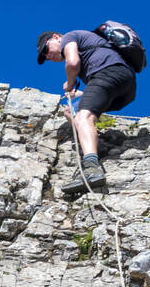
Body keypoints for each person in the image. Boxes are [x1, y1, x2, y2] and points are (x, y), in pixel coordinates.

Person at [36, 29, 137, 195]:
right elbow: (100, 90)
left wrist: (70, 83)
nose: (47, 56)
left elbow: (73, 63)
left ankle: (91, 168)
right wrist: (80, 94)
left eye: (46, 50)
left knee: (83, 117)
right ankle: (92, 142)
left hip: (108, 73)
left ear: (55, 37)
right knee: (71, 112)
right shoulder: (92, 49)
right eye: (44, 57)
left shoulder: (69, 37)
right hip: (125, 88)